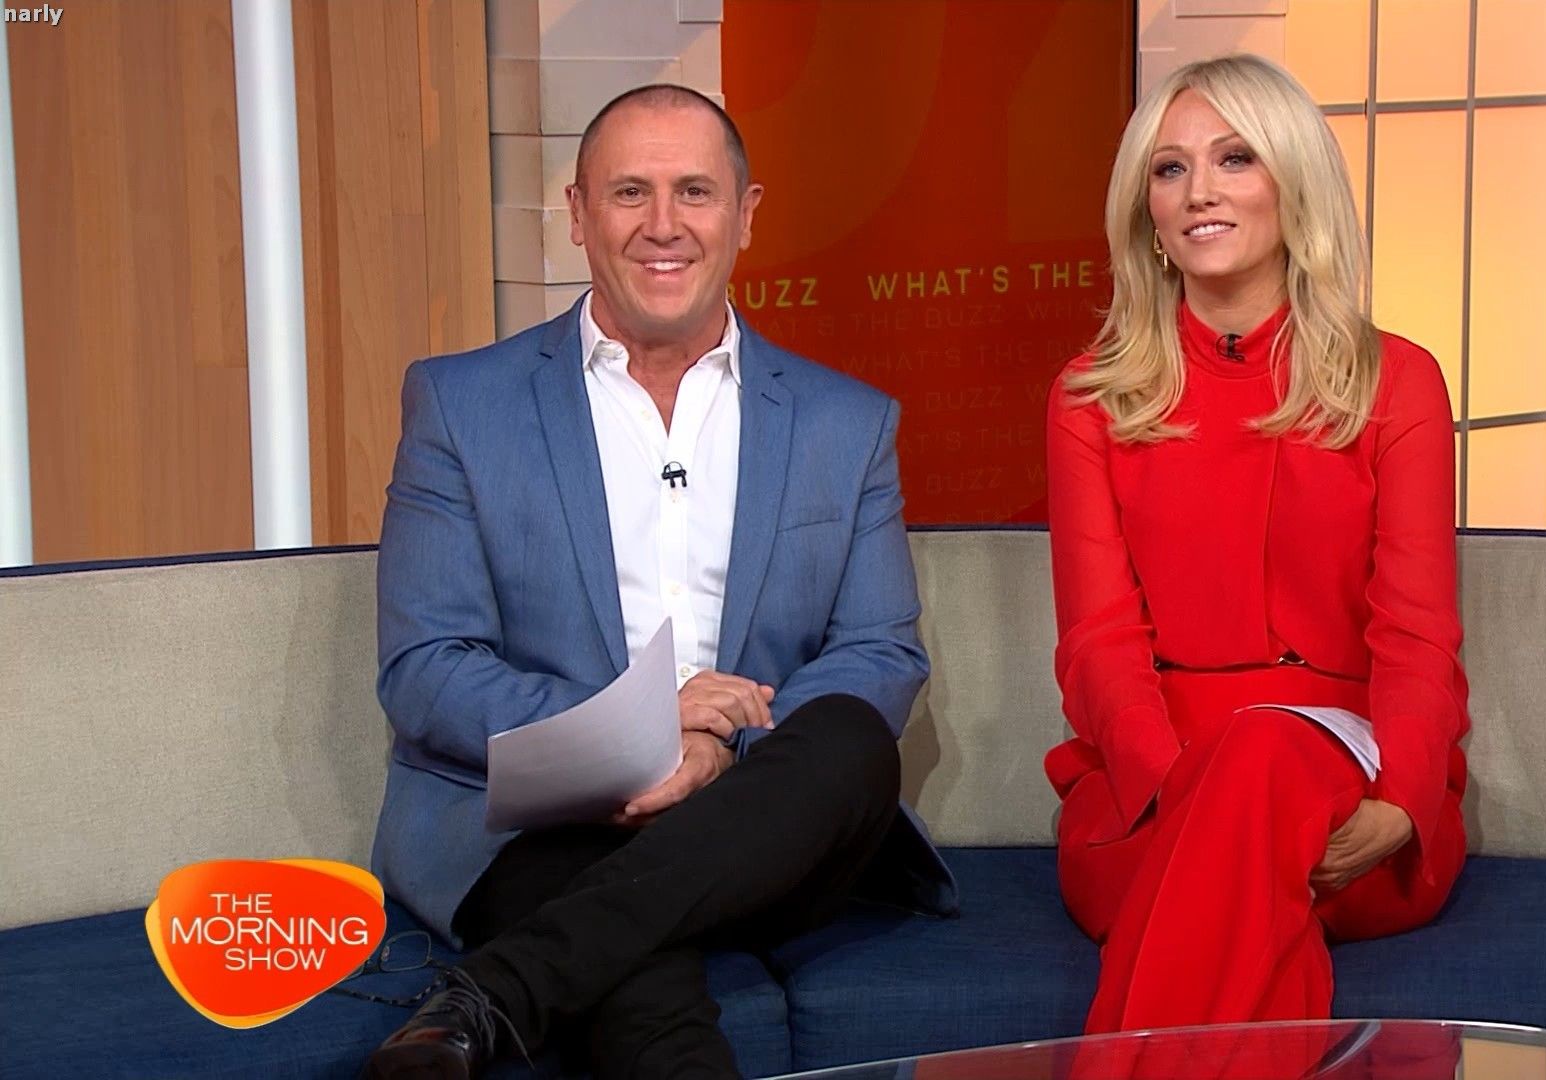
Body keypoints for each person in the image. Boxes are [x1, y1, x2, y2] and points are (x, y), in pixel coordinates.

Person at [360, 84, 953, 1079]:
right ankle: (538, 982)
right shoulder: (463, 402)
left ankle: (493, 994)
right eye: (630, 192)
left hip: (762, 815)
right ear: (579, 213)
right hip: (551, 822)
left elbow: (878, 653)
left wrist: (717, 751)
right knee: (640, 986)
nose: (664, 225)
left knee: (849, 737)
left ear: (746, 214)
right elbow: (426, 667)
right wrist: (637, 734)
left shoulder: (845, 421)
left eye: (695, 192)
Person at [1044, 53, 1469, 1034]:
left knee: (1265, 752)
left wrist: (1402, 803)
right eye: (1171, 168)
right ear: (1146, 209)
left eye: (1235, 158)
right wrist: (1188, 800)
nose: (1200, 191)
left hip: (1351, 799)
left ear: (1293, 180)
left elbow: (1416, 634)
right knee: (1239, 808)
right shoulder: (1088, 398)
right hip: (1152, 799)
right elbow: (1097, 641)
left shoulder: (1397, 382)